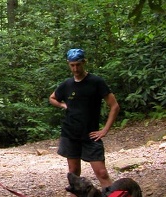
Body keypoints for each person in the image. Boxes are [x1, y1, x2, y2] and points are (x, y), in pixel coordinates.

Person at [49, 48, 120, 196]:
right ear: (68, 64)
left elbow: (114, 106)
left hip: (91, 135)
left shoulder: (96, 82)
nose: (75, 68)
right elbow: (52, 97)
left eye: (78, 65)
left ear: (84, 62)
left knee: (102, 173)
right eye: (72, 65)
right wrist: (62, 105)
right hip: (70, 134)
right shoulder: (67, 84)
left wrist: (105, 130)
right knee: (74, 174)